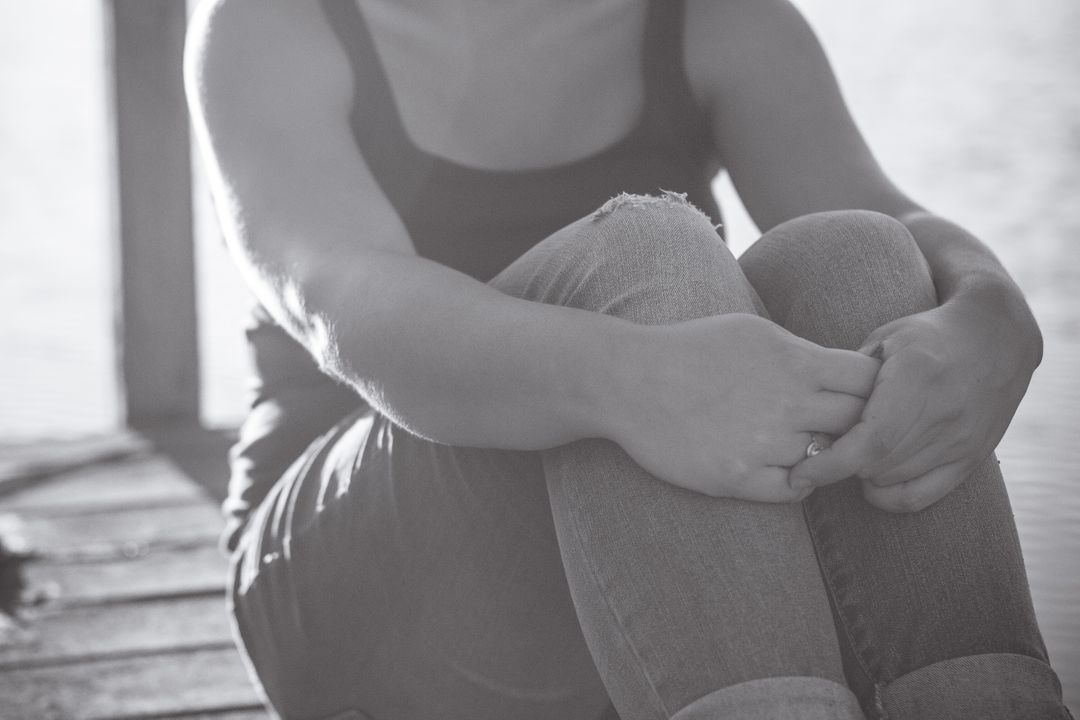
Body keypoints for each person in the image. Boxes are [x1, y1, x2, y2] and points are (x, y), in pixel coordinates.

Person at [184, 0, 1070, 718]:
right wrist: (629, 378)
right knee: (647, 253)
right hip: (355, 591)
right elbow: (341, 297)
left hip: (649, 578)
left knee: (858, 260)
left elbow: (887, 219)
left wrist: (990, 307)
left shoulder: (712, 20)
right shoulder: (275, 21)